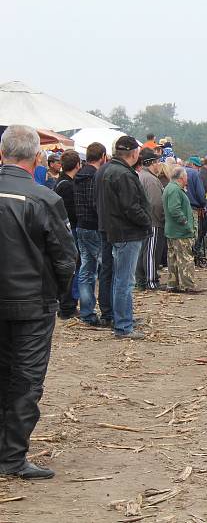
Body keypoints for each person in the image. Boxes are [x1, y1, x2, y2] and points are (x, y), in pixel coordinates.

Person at [0, 125, 77, 479]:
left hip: (27, 298)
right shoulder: (44, 199)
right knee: (27, 379)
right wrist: (62, 297)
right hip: (32, 303)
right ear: (36, 158)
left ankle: (10, 453)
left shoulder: (43, 198)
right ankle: (12, 457)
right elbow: (65, 257)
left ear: (3, 154)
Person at [99, 136, 152, 339]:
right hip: (127, 232)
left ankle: (123, 318)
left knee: (121, 280)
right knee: (125, 281)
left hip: (118, 231)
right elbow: (131, 207)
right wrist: (147, 220)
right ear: (134, 153)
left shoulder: (112, 170)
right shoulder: (122, 174)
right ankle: (123, 325)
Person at [74, 142, 108, 326]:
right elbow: (95, 204)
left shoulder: (78, 175)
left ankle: (87, 312)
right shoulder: (95, 177)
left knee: (86, 270)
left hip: (81, 226)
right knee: (104, 270)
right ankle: (105, 311)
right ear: (102, 156)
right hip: (95, 227)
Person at [53, 150, 81, 319]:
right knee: (73, 267)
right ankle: (67, 306)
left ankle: (66, 304)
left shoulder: (61, 183)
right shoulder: (67, 186)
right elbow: (71, 212)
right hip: (70, 230)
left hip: (64, 230)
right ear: (77, 164)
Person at [163, 167, 200, 293]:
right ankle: (188, 285)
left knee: (173, 258)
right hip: (180, 231)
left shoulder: (170, 188)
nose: (187, 179)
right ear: (181, 178)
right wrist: (186, 223)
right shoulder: (175, 190)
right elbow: (174, 209)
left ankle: (173, 284)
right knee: (185, 258)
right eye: (186, 177)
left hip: (172, 230)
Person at [136, 149, 166, 290]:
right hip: (153, 221)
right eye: (157, 162)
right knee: (151, 253)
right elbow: (156, 203)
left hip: (146, 220)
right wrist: (162, 219)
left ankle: (143, 280)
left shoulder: (141, 176)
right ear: (152, 163)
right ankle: (151, 281)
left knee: (144, 252)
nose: (159, 165)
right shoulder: (151, 180)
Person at [184, 156, 207, 255]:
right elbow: (200, 193)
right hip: (192, 207)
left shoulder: (178, 171)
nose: (198, 169)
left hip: (179, 207)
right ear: (192, 164)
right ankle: (192, 254)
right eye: (197, 166)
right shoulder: (195, 173)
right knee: (194, 232)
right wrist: (203, 204)